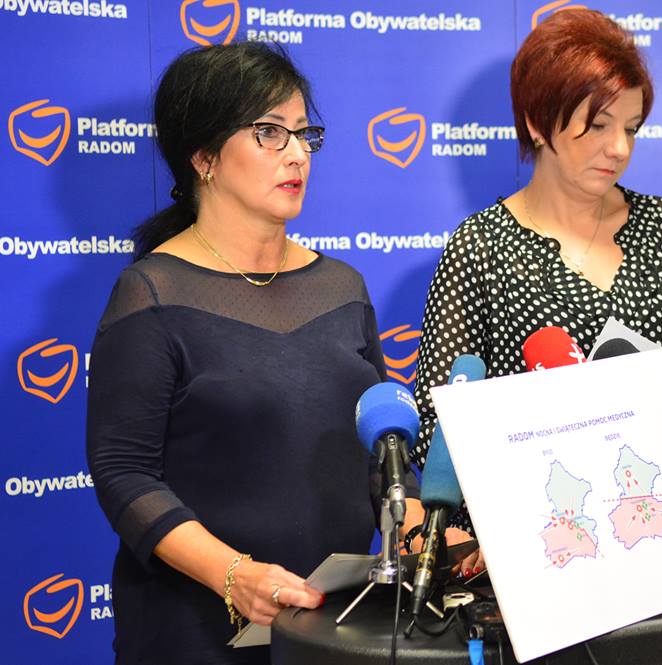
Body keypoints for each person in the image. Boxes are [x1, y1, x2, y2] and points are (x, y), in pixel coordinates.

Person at [87, 43, 427, 665]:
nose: (297, 154)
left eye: (303, 134)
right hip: (197, 633)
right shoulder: (152, 293)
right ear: (204, 157)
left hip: (336, 626)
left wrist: (418, 528)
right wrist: (233, 575)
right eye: (270, 132)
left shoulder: (342, 286)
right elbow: (124, 474)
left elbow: (381, 455)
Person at [412, 9, 662, 565]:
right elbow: (435, 427)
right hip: (534, 551)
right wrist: (506, 529)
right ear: (538, 123)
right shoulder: (480, 246)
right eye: (598, 125)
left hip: (654, 542)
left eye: (630, 128)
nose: (619, 149)